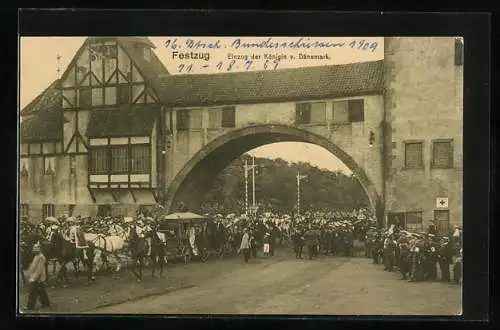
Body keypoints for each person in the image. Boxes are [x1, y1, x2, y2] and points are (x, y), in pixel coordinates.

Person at [24, 242, 50, 311]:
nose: (34, 249)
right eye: (34, 248)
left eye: (36, 248)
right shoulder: (36, 256)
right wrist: (29, 274)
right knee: (41, 291)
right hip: (36, 277)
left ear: (40, 249)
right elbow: (33, 267)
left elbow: (39, 269)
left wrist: (34, 278)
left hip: (37, 277)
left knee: (33, 292)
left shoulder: (41, 257)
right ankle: (46, 303)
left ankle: (30, 306)